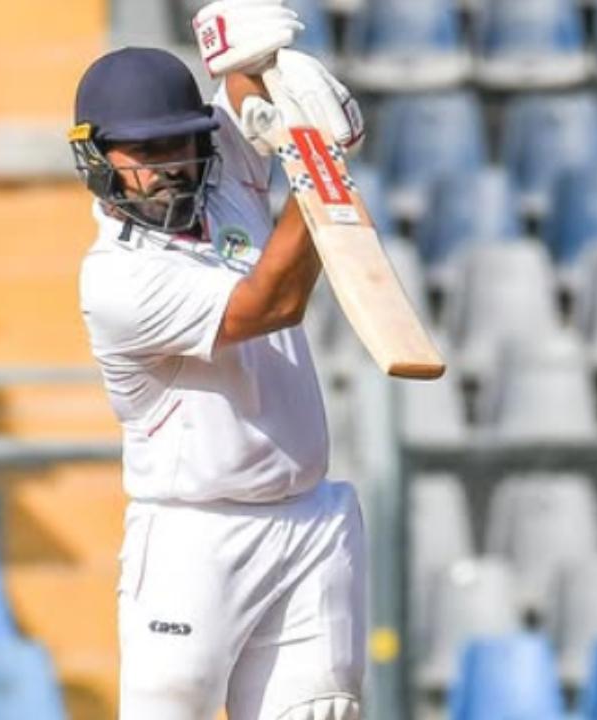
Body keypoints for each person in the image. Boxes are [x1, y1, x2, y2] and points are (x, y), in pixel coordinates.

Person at [70, 1, 368, 718]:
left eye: (180, 145)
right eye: (145, 154)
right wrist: (321, 168)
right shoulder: (115, 278)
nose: (169, 167)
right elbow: (270, 306)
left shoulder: (221, 175)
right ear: (96, 156)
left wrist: (264, 65)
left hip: (309, 520)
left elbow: (244, 98)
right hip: (192, 537)